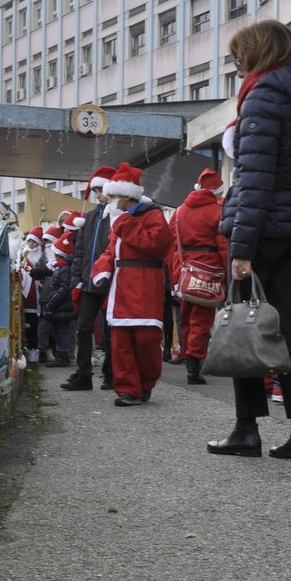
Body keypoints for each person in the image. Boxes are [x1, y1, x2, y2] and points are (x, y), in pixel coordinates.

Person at [209, 19, 291, 460]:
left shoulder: (263, 96)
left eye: (240, 58)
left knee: (244, 323)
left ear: (257, 54)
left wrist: (242, 248)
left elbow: (255, 177)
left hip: (261, 228)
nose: (239, 68)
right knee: (288, 329)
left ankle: (246, 429)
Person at [89, 163, 169, 406]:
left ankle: (145, 384)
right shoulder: (118, 220)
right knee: (121, 341)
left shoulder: (151, 215)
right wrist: (101, 269)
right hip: (121, 286)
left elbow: (156, 245)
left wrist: (123, 223)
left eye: (112, 196)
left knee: (146, 340)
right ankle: (128, 389)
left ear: (126, 196)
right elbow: (110, 251)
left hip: (145, 285)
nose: (108, 201)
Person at [167, 168, 230, 385]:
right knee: (201, 320)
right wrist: (228, 275)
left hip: (184, 270)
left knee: (185, 318)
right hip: (209, 270)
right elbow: (223, 247)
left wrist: (174, 275)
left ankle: (187, 355)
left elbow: (171, 246)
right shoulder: (217, 211)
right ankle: (194, 365)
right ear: (217, 192)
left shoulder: (180, 211)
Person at [62, 166, 117, 392]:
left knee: (109, 330)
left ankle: (110, 374)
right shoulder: (89, 218)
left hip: (110, 282)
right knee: (84, 328)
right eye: (95, 192)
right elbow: (80, 253)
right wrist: (77, 279)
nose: (98, 196)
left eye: (101, 190)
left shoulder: (116, 217)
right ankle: (84, 374)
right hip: (88, 283)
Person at [38, 211, 82, 367]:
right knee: (57, 330)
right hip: (59, 305)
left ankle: (63, 355)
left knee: (64, 330)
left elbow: (63, 289)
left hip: (62, 305)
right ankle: (61, 354)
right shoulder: (60, 268)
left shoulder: (64, 270)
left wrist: (52, 304)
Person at [19, 226, 52, 363]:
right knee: (31, 322)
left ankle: (47, 350)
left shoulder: (44, 255)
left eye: (34, 242)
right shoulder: (23, 254)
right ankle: (32, 349)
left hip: (42, 292)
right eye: (29, 241)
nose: (31, 244)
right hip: (28, 294)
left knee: (44, 324)